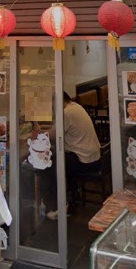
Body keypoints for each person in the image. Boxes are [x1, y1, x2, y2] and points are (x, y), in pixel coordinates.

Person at [39, 91, 102, 220]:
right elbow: (58, 129)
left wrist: (38, 132)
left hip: (83, 160)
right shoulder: (76, 107)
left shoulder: (66, 113)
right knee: (55, 159)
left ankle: (59, 205)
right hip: (93, 157)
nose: (52, 108)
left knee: (48, 164)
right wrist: (43, 129)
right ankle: (70, 195)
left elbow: (53, 135)